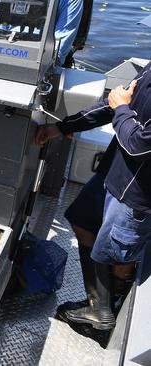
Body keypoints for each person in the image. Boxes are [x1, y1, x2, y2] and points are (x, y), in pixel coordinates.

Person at [36, 61, 151, 333]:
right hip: (116, 172)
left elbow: (139, 145)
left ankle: (108, 311)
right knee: (81, 219)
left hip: (137, 193)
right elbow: (117, 102)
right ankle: (99, 303)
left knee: (117, 253)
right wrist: (64, 127)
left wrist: (121, 107)